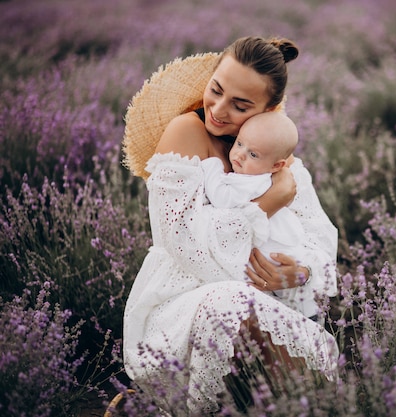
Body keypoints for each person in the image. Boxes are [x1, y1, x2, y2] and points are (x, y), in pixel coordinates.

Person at [122, 36, 339, 414]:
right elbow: (184, 244)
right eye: (216, 90)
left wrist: (300, 272)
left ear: (268, 110)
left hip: (267, 306)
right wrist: (268, 203)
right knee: (231, 301)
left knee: (300, 359)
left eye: (241, 106)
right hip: (183, 303)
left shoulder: (273, 154)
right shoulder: (185, 132)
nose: (219, 111)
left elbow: (320, 238)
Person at [201, 111, 319, 319]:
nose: (240, 155)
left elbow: (223, 199)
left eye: (253, 154)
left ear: (276, 165)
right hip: (279, 266)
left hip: (275, 267)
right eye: (239, 144)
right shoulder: (263, 177)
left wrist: (211, 167)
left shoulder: (253, 182)